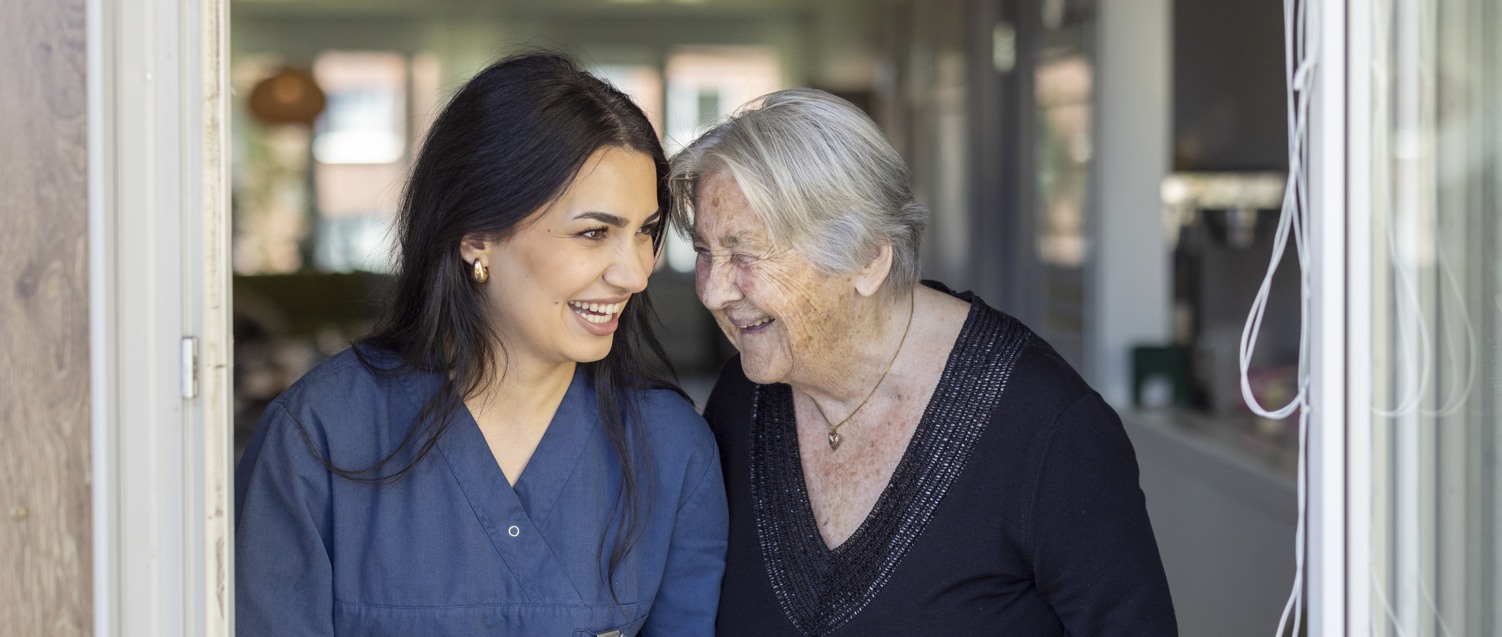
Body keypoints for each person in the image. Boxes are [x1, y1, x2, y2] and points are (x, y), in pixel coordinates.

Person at [234, 52, 728, 636]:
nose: (635, 274)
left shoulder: (671, 449)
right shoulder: (319, 433)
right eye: (594, 233)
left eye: (645, 232)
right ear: (477, 238)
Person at [668, 88, 1177, 636]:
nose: (714, 290)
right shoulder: (742, 400)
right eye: (704, 253)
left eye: (745, 255)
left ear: (867, 259)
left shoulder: (1050, 431)